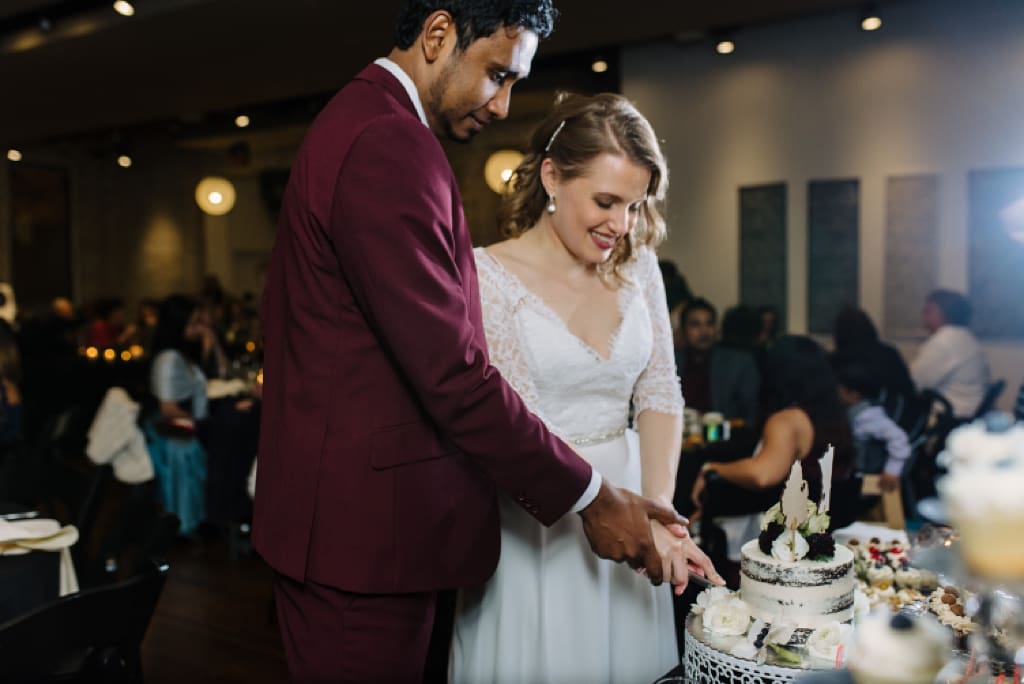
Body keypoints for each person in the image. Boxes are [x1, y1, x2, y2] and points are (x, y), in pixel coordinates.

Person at [252, 3, 689, 682]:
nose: (503, 104)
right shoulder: (386, 143)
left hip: (365, 530)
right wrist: (596, 500)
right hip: (360, 538)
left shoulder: (368, 125)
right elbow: (453, 374)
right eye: (497, 74)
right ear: (437, 34)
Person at [449, 92, 722, 683]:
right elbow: (502, 422)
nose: (620, 225)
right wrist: (599, 506)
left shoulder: (638, 264)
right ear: (551, 176)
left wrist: (661, 515)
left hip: (633, 503)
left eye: (633, 205)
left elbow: (659, 391)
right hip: (537, 520)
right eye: (605, 201)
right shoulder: (485, 276)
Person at [691, 335, 854, 565]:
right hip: (824, 535)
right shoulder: (834, 417)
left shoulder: (787, 421)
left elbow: (763, 475)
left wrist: (712, 468)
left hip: (788, 543)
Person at [144, 294, 209, 537]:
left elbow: (219, 371)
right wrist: (199, 422)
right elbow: (167, 408)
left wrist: (210, 345)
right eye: (194, 323)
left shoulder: (183, 353)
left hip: (178, 419)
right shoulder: (169, 359)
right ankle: (182, 522)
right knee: (188, 449)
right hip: (165, 426)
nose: (199, 328)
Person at [675, 298, 760, 426]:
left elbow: (750, 417)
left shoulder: (738, 363)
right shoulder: (672, 363)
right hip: (678, 436)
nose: (704, 331)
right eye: (695, 325)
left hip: (722, 439)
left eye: (709, 324)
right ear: (683, 330)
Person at [910, 289, 990, 420]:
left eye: (927, 311)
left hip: (947, 416)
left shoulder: (943, 340)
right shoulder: (966, 336)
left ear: (940, 312)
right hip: (968, 412)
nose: (923, 316)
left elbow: (915, 383)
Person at [831, 305, 915, 424]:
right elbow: (909, 391)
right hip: (898, 422)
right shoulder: (889, 354)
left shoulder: (837, 361)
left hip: (852, 428)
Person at [836, 361, 910, 493]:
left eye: (839, 389)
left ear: (854, 394)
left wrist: (892, 470)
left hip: (863, 472)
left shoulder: (869, 416)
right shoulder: (852, 410)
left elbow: (899, 438)